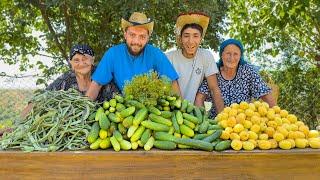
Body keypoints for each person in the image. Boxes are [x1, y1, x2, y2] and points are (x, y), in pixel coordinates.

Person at [86, 12, 180, 100]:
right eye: (132, 35)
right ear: (125, 34)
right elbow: (97, 83)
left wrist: (180, 110)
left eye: (142, 36)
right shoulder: (113, 54)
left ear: (148, 38)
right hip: (121, 108)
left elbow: (172, 82)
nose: (136, 41)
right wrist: (85, 108)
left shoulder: (156, 54)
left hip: (150, 109)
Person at [21, 44, 119, 118]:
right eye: (76, 60)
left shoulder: (103, 74)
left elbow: (119, 101)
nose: (81, 63)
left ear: (92, 60)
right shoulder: (66, 80)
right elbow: (40, 98)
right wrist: (17, 125)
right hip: (72, 128)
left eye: (85, 59)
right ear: (71, 63)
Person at [195, 39, 276, 117]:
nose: (231, 58)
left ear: (240, 55)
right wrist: (202, 120)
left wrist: (277, 115)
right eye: (228, 53)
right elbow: (200, 98)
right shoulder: (213, 71)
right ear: (221, 55)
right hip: (216, 122)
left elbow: (265, 94)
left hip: (242, 123)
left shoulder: (248, 71)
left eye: (235, 54)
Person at [166, 12, 224, 113]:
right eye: (186, 36)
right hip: (170, 111)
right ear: (180, 38)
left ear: (201, 39)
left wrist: (223, 115)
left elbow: (214, 89)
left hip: (194, 113)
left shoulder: (206, 56)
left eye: (195, 36)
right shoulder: (169, 58)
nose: (190, 41)